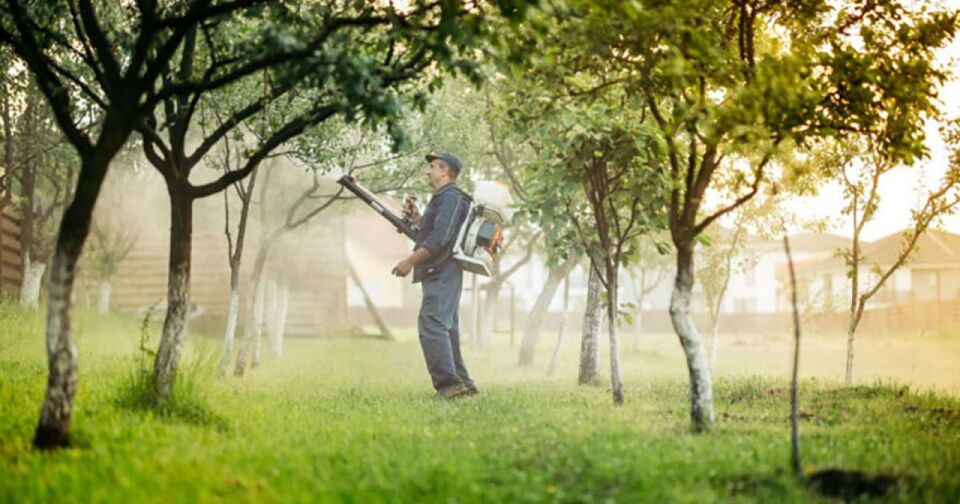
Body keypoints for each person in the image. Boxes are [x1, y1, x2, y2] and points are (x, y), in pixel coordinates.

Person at [392, 151, 478, 399]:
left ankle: (449, 385)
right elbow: (435, 231)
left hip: (442, 269)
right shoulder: (442, 199)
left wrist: (409, 261)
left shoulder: (451, 197)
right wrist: (419, 216)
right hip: (442, 269)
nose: (428, 171)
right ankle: (463, 384)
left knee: (432, 324)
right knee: (446, 327)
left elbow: (440, 240)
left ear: (445, 171)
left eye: (432, 167)